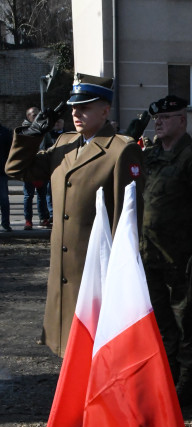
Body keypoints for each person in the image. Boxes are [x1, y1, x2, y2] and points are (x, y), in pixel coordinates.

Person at [5, 73, 145, 357]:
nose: (76, 113)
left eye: (85, 107)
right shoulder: (64, 145)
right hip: (63, 273)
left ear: (105, 110)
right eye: (73, 107)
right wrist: (32, 136)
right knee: (68, 353)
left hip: (95, 276)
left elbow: (125, 222)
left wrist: (121, 279)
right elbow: (18, 170)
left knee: (94, 354)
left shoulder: (120, 150)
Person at [140, 94, 192, 402]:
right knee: (160, 322)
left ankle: (188, 384)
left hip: (180, 256)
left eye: (166, 118)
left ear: (182, 120)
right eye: (156, 118)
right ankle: (167, 377)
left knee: (185, 320)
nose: (158, 122)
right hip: (151, 254)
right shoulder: (150, 156)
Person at [21, 106, 52, 230]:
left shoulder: (44, 129)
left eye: (38, 114)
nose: (37, 116)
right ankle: (28, 220)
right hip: (28, 167)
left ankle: (44, 218)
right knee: (28, 196)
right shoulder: (23, 130)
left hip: (41, 166)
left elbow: (50, 144)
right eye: (34, 115)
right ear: (28, 116)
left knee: (42, 194)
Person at [0, 121, 12, 231]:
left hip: (1, 171)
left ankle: (5, 223)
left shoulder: (5, 132)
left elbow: (10, 151)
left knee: (3, 199)